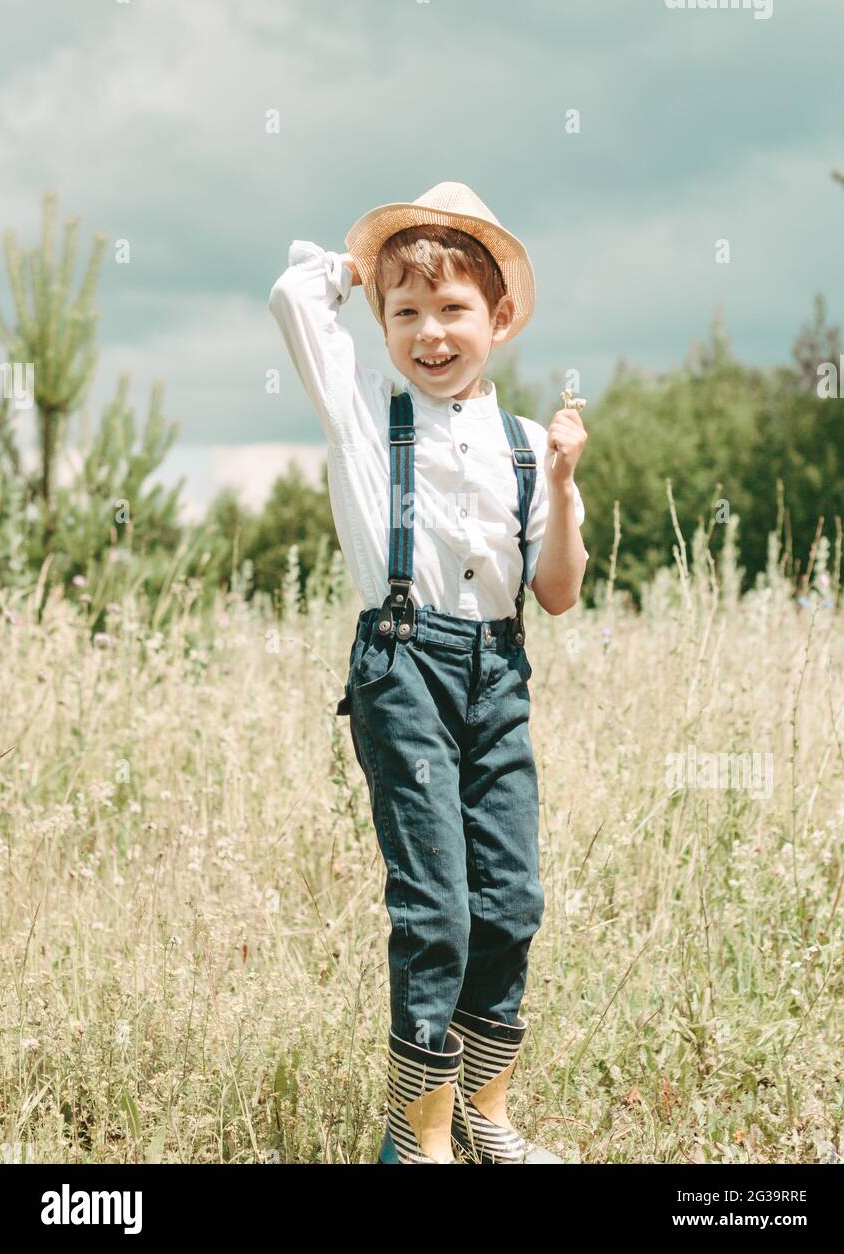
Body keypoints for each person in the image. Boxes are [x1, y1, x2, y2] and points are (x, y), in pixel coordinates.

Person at [268, 181, 588, 1164]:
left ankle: (485, 1113)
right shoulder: (366, 414)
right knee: (436, 908)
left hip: (498, 673)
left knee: (511, 898)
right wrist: (359, 264)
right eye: (404, 312)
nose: (429, 332)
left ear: (496, 318)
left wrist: (568, 484)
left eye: (452, 309)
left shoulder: (527, 445)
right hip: (402, 666)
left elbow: (559, 592)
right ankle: (419, 1138)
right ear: (381, 322)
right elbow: (292, 299)